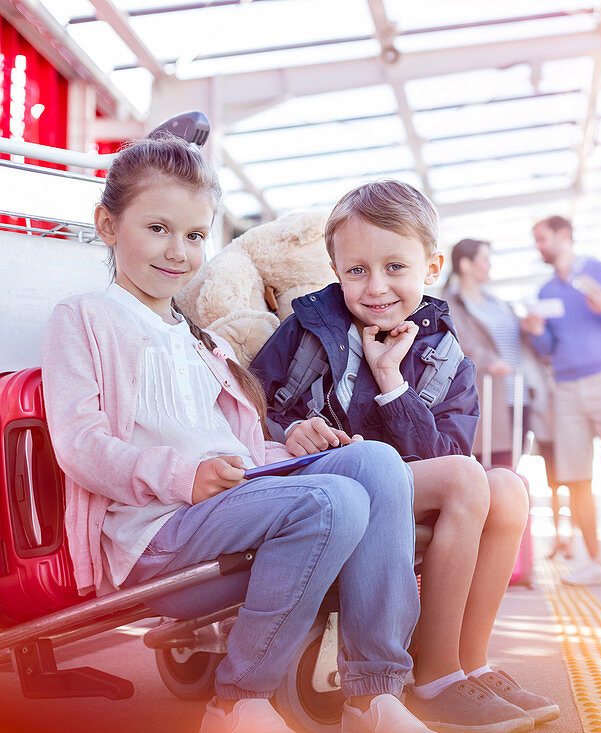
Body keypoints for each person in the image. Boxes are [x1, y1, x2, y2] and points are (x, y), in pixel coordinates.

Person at [41, 135, 429, 733]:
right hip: (154, 535)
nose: (178, 252)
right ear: (108, 225)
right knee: (334, 501)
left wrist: (296, 444)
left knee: (376, 464)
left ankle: (373, 695)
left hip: (231, 509)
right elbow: (80, 443)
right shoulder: (85, 318)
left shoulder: (206, 343)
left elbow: (239, 453)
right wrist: (181, 476)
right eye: (158, 228)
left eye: (195, 236)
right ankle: (239, 701)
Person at [250, 181, 559, 732]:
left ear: (432, 266)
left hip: (406, 486)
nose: (376, 287)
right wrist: (292, 428)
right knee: (469, 479)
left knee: (509, 488)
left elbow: (445, 454)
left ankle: (470, 664)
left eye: (396, 266)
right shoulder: (308, 331)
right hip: (328, 483)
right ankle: (434, 677)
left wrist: (393, 385)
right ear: (335, 267)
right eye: (357, 270)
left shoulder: (445, 355)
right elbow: (248, 403)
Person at [521, 215, 601, 586]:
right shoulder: (545, 293)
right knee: (576, 477)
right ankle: (595, 563)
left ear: (564, 236)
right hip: (568, 388)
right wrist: (536, 334)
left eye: (542, 238)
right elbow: (548, 349)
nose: (538, 246)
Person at [443, 238, 553, 472]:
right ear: (465, 265)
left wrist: (528, 327)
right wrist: (489, 361)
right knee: (495, 465)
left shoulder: (498, 303)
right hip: (489, 395)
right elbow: (461, 342)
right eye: (485, 260)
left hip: (518, 393)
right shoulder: (452, 304)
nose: (489, 265)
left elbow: (516, 339)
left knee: (513, 463)